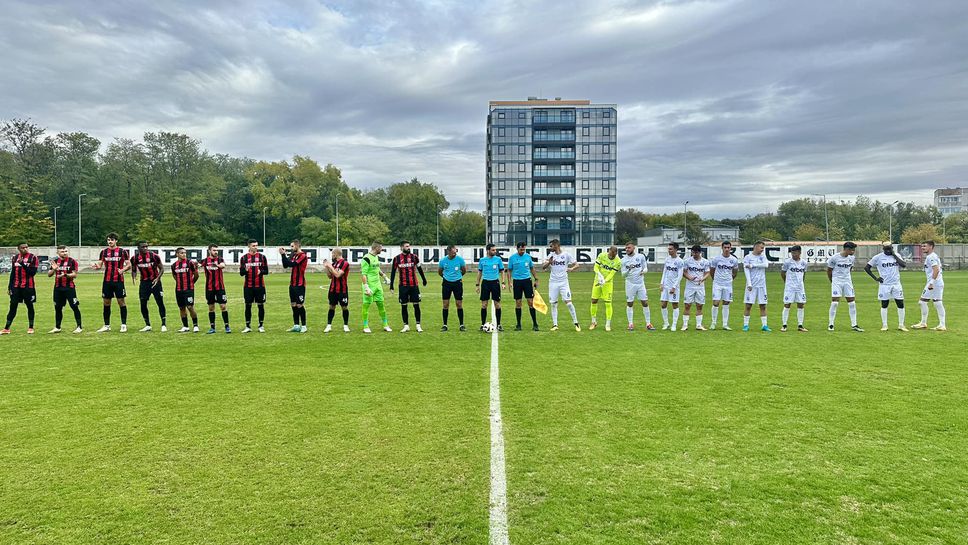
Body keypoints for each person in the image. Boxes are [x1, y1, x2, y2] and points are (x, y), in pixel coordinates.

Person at [865, 242, 908, 332]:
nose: (888, 251)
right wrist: (876, 278)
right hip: (884, 285)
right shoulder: (878, 257)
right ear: (883, 249)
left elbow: (903, 265)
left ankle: (901, 325)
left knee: (900, 303)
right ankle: (884, 325)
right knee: (884, 304)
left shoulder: (896, 255)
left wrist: (894, 255)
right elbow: (867, 268)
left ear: (892, 248)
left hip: (896, 284)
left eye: (890, 248)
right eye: (886, 249)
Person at [93, 233, 131, 333]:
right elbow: (100, 265)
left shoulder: (123, 252)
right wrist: (96, 267)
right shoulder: (104, 252)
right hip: (107, 281)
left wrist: (123, 270)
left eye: (112, 240)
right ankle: (106, 325)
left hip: (119, 281)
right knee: (106, 302)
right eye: (109, 240)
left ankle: (123, 325)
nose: (110, 241)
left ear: (116, 241)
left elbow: (129, 264)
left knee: (121, 302)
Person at [541, 239, 580, 332]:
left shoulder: (566, 255)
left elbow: (577, 265)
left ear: (556, 245)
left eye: (551, 246)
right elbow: (543, 267)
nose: (550, 248)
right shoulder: (551, 255)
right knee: (553, 304)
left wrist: (571, 269)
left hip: (563, 282)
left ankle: (576, 323)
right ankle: (555, 325)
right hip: (553, 282)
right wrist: (549, 262)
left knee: (569, 303)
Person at [390, 240, 427, 333]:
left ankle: (418, 325)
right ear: (401, 247)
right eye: (406, 246)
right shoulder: (396, 259)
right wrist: (391, 285)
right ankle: (406, 325)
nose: (408, 248)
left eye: (409, 246)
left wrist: (424, 279)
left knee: (416, 305)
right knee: (404, 306)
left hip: (414, 285)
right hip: (403, 286)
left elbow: (419, 268)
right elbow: (393, 272)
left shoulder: (414, 257)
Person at [2, 243, 39, 334]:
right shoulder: (15, 258)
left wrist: (23, 264)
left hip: (28, 286)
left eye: (26, 247)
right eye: (23, 248)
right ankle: (7, 328)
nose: (25, 249)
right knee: (13, 306)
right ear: (18, 249)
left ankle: (31, 327)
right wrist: (9, 286)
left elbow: (32, 273)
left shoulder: (33, 258)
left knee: (29, 306)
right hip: (15, 286)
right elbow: (13, 273)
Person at [131, 241, 167, 332]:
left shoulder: (154, 256)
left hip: (155, 282)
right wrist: (134, 276)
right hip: (144, 283)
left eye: (147, 246)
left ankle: (163, 324)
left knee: (160, 302)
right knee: (143, 303)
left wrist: (158, 278)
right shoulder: (134, 258)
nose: (145, 248)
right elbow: (134, 269)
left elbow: (162, 268)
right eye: (143, 247)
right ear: (138, 248)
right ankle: (147, 325)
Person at [827, 241, 863, 332]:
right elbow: (829, 271)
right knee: (835, 302)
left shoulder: (851, 258)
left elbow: (849, 269)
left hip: (847, 282)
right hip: (837, 281)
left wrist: (847, 278)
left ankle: (854, 324)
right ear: (846, 249)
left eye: (854, 250)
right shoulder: (834, 258)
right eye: (852, 250)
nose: (853, 252)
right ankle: (831, 324)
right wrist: (833, 281)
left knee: (852, 303)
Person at [48, 245, 83, 334]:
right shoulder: (55, 261)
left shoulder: (72, 261)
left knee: (74, 306)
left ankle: (79, 327)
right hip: (58, 288)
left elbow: (75, 274)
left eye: (66, 251)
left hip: (69, 288)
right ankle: (57, 327)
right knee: (58, 308)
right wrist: (54, 270)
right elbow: (49, 274)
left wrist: (65, 275)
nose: (65, 253)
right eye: (62, 252)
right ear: (58, 253)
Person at [912, 240, 946, 331]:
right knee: (937, 303)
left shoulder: (931, 257)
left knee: (923, 302)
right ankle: (941, 325)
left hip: (934, 283)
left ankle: (925, 323)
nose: (922, 248)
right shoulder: (932, 256)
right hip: (936, 283)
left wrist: (931, 282)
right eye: (922, 246)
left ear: (931, 246)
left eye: (924, 246)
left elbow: (936, 270)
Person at [620, 241, 653, 331]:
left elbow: (645, 267)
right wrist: (628, 270)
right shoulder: (623, 260)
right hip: (630, 284)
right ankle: (630, 324)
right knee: (630, 303)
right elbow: (623, 275)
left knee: (645, 302)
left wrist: (644, 271)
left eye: (629, 248)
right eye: (626, 248)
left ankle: (648, 323)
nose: (627, 249)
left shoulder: (640, 257)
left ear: (634, 248)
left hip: (640, 283)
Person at [508, 241, 539, 331]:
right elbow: (509, 270)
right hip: (517, 282)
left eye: (524, 249)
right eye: (521, 249)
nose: (523, 251)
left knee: (530, 302)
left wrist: (536, 278)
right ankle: (518, 324)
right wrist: (509, 282)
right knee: (518, 302)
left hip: (527, 281)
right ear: (517, 248)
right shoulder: (512, 258)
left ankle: (535, 324)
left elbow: (531, 268)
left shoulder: (528, 257)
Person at [361, 242, 392, 333]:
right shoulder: (366, 258)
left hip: (378, 285)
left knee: (381, 305)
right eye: (381, 248)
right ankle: (365, 326)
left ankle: (385, 325)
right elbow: (364, 274)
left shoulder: (376, 257)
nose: (382, 250)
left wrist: (385, 277)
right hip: (369, 286)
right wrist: (366, 287)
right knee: (366, 305)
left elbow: (377, 269)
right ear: (376, 248)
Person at [239, 239, 269, 333]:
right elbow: (241, 273)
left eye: (256, 245)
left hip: (260, 286)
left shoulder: (262, 257)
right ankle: (248, 326)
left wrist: (261, 271)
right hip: (248, 286)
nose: (255, 247)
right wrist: (246, 270)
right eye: (253, 246)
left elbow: (266, 271)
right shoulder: (244, 258)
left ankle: (261, 325)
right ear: (249, 246)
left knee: (260, 305)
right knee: (248, 305)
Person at [589, 245, 621, 331]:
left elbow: (612, 274)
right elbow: (596, 267)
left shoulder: (618, 261)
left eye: (613, 255)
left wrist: (605, 280)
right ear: (608, 251)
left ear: (616, 253)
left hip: (607, 283)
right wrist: (599, 275)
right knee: (594, 300)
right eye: (611, 254)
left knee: (608, 303)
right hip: (597, 280)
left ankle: (608, 324)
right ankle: (593, 322)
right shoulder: (602, 255)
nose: (612, 256)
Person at [200, 244, 230, 334]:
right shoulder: (205, 261)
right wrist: (196, 265)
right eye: (214, 250)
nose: (216, 252)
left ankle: (227, 326)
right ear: (209, 251)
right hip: (209, 288)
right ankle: (212, 327)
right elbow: (197, 264)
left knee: (223, 306)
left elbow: (223, 265)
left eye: (217, 250)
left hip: (220, 287)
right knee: (211, 307)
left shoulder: (220, 259)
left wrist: (218, 265)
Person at [280, 239, 309, 333]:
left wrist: (284, 255)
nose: (291, 248)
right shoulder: (293, 255)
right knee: (293, 305)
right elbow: (285, 265)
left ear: (297, 246)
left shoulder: (303, 255)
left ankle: (304, 326)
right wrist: (283, 255)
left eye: (292, 246)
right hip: (292, 284)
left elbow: (293, 264)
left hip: (300, 285)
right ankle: (296, 325)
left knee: (300, 305)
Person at [709, 241, 738, 330]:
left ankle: (725, 324)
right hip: (717, 283)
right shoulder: (716, 259)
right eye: (725, 247)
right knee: (716, 302)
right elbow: (712, 270)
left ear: (730, 248)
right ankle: (713, 323)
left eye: (728, 247)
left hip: (728, 284)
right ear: (722, 248)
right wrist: (715, 279)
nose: (726, 249)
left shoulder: (733, 260)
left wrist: (731, 279)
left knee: (726, 302)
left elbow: (735, 271)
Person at [476, 243, 506, 332]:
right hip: (485, 283)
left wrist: (503, 282)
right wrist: (477, 285)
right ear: (488, 250)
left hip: (495, 283)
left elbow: (502, 271)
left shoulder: (498, 259)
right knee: (484, 304)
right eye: (493, 250)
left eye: (495, 250)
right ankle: (482, 324)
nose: (495, 251)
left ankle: (499, 324)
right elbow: (479, 273)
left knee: (497, 304)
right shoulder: (482, 260)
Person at [743, 240, 771, 332]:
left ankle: (764, 325)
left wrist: (753, 265)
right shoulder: (748, 257)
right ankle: (746, 325)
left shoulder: (763, 256)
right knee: (748, 305)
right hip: (752, 285)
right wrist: (749, 283)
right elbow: (746, 270)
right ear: (755, 247)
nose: (762, 250)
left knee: (763, 305)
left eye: (763, 248)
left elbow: (766, 265)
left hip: (762, 285)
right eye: (761, 247)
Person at [438, 245, 467, 332]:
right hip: (446, 283)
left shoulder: (460, 260)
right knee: (445, 305)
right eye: (453, 252)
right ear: (449, 252)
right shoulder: (443, 260)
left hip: (457, 283)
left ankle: (461, 324)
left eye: (456, 251)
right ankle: (445, 325)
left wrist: (458, 277)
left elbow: (464, 270)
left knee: (459, 304)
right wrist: (446, 277)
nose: (455, 253)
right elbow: (440, 272)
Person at [171, 247, 199, 332]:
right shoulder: (174, 265)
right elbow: (175, 276)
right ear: (177, 254)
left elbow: (196, 275)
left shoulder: (190, 263)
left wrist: (191, 283)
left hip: (189, 289)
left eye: (185, 253)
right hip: (179, 289)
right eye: (182, 253)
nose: (184, 254)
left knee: (190, 306)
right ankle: (185, 326)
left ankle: (195, 325)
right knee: (181, 307)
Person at [682, 245, 710, 331]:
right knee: (687, 305)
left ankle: (698, 325)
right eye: (693, 252)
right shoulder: (687, 261)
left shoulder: (705, 262)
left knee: (699, 305)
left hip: (700, 287)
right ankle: (685, 325)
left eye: (696, 252)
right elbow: (684, 272)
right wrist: (689, 277)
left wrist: (703, 279)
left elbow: (707, 272)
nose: (694, 254)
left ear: (700, 252)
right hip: (690, 286)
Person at [780, 245, 808, 332]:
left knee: (801, 304)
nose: (793, 254)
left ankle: (800, 325)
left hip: (800, 287)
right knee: (787, 304)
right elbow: (782, 273)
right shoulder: (787, 262)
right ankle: (784, 325)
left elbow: (804, 274)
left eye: (795, 253)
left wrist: (801, 283)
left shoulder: (804, 262)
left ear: (799, 252)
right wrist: (787, 282)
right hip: (790, 287)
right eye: (792, 253)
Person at [323, 248, 350, 333]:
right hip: (332, 290)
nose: (332, 255)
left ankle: (345, 325)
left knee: (344, 307)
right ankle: (329, 325)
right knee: (331, 306)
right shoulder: (334, 264)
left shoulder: (345, 263)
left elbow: (338, 275)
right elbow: (330, 276)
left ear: (335, 254)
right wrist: (326, 267)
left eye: (332, 254)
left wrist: (330, 266)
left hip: (342, 290)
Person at [659, 242, 685, 331]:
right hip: (665, 285)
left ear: (676, 250)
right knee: (663, 304)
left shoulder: (680, 261)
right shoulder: (667, 259)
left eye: (671, 249)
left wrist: (674, 287)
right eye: (668, 249)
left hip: (674, 287)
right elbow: (664, 271)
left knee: (674, 304)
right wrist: (661, 283)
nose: (669, 250)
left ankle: (674, 324)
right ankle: (666, 323)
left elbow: (680, 275)